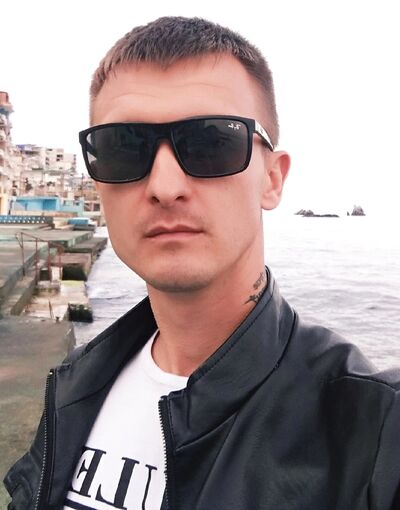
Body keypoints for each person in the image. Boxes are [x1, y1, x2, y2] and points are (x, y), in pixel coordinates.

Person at [4, 16, 400, 510]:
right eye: (122, 148)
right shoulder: (74, 385)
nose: (165, 186)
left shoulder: (371, 430)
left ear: (272, 179)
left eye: (212, 142)